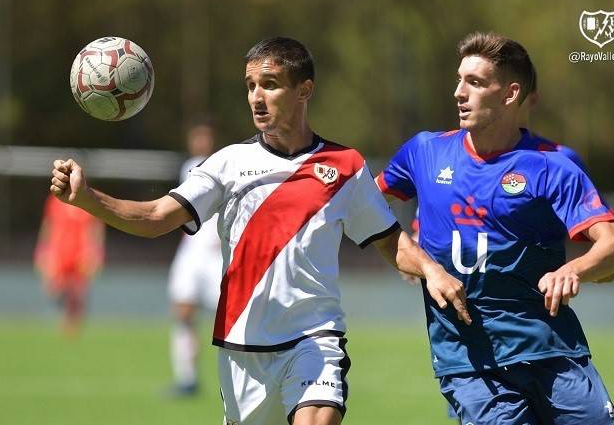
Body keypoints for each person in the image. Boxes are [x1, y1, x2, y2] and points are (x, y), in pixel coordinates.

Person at [49, 37, 470, 425]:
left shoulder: (345, 166)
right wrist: (88, 198)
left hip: (315, 339)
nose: (256, 96)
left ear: (304, 90)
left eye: (269, 85)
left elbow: (390, 241)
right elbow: (157, 216)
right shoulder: (227, 163)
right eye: (250, 86)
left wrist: (431, 270)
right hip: (242, 350)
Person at [377, 31, 614, 425]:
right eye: (459, 80)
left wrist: (572, 270)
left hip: (553, 350)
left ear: (510, 94)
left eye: (475, 82)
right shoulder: (424, 152)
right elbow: (365, 212)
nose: (459, 92)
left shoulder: (553, 166)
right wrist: (421, 262)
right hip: (471, 364)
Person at [167, 123, 222, 397]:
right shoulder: (189, 167)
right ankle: (187, 378)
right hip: (191, 252)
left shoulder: (224, 166)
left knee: (230, 318)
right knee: (183, 311)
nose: (201, 142)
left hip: (216, 255)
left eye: (205, 137)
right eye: (196, 137)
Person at [34, 194, 105, 337]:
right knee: (54, 291)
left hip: (80, 255)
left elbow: (96, 227)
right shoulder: (55, 200)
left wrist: (96, 253)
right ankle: (69, 318)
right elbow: (48, 225)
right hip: (59, 254)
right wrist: (42, 251)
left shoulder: (88, 197)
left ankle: (73, 325)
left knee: (77, 293)